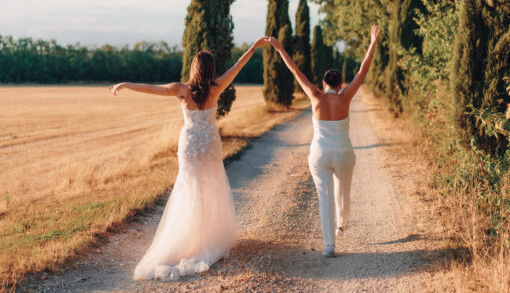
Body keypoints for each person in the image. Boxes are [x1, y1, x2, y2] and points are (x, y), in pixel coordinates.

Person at [108, 37, 269, 280]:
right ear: (211, 69)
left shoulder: (181, 90)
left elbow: (151, 88)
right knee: (211, 187)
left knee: (188, 187)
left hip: (190, 144)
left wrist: (126, 84)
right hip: (209, 144)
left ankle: (186, 237)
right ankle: (206, 237)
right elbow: (238, 66)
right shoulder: (216, 88)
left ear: (194, 68)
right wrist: (254, 47)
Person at [267, 25, 380, 257]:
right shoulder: (345, 97)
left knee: (325, 198)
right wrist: (372, 43)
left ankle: (329, 246)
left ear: (323, 83)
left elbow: (295, 70)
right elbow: (362, 71)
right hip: (344, 154)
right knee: (343, 193)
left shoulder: (315, 96)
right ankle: (342, 225)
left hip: (320, 154)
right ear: (340, 84)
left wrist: (278, 48)